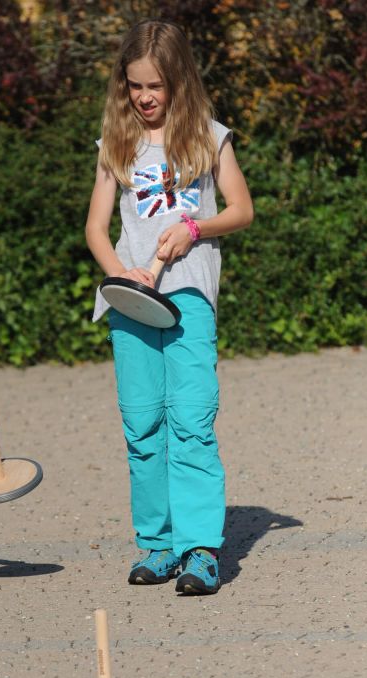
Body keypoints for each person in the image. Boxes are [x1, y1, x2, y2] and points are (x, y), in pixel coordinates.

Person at [85, 20, 254, 595]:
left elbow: (242, 211)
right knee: (142, 422)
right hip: (131, 301)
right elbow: (95, 229)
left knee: (191, 421)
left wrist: (194, 228)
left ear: (179, 80)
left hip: (189, 298)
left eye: (156, 85)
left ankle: (200, 549)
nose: (145, 97)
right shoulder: (116, 142)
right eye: (134, 86)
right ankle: (157, 546)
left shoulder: (210, 136)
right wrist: (119, 273)